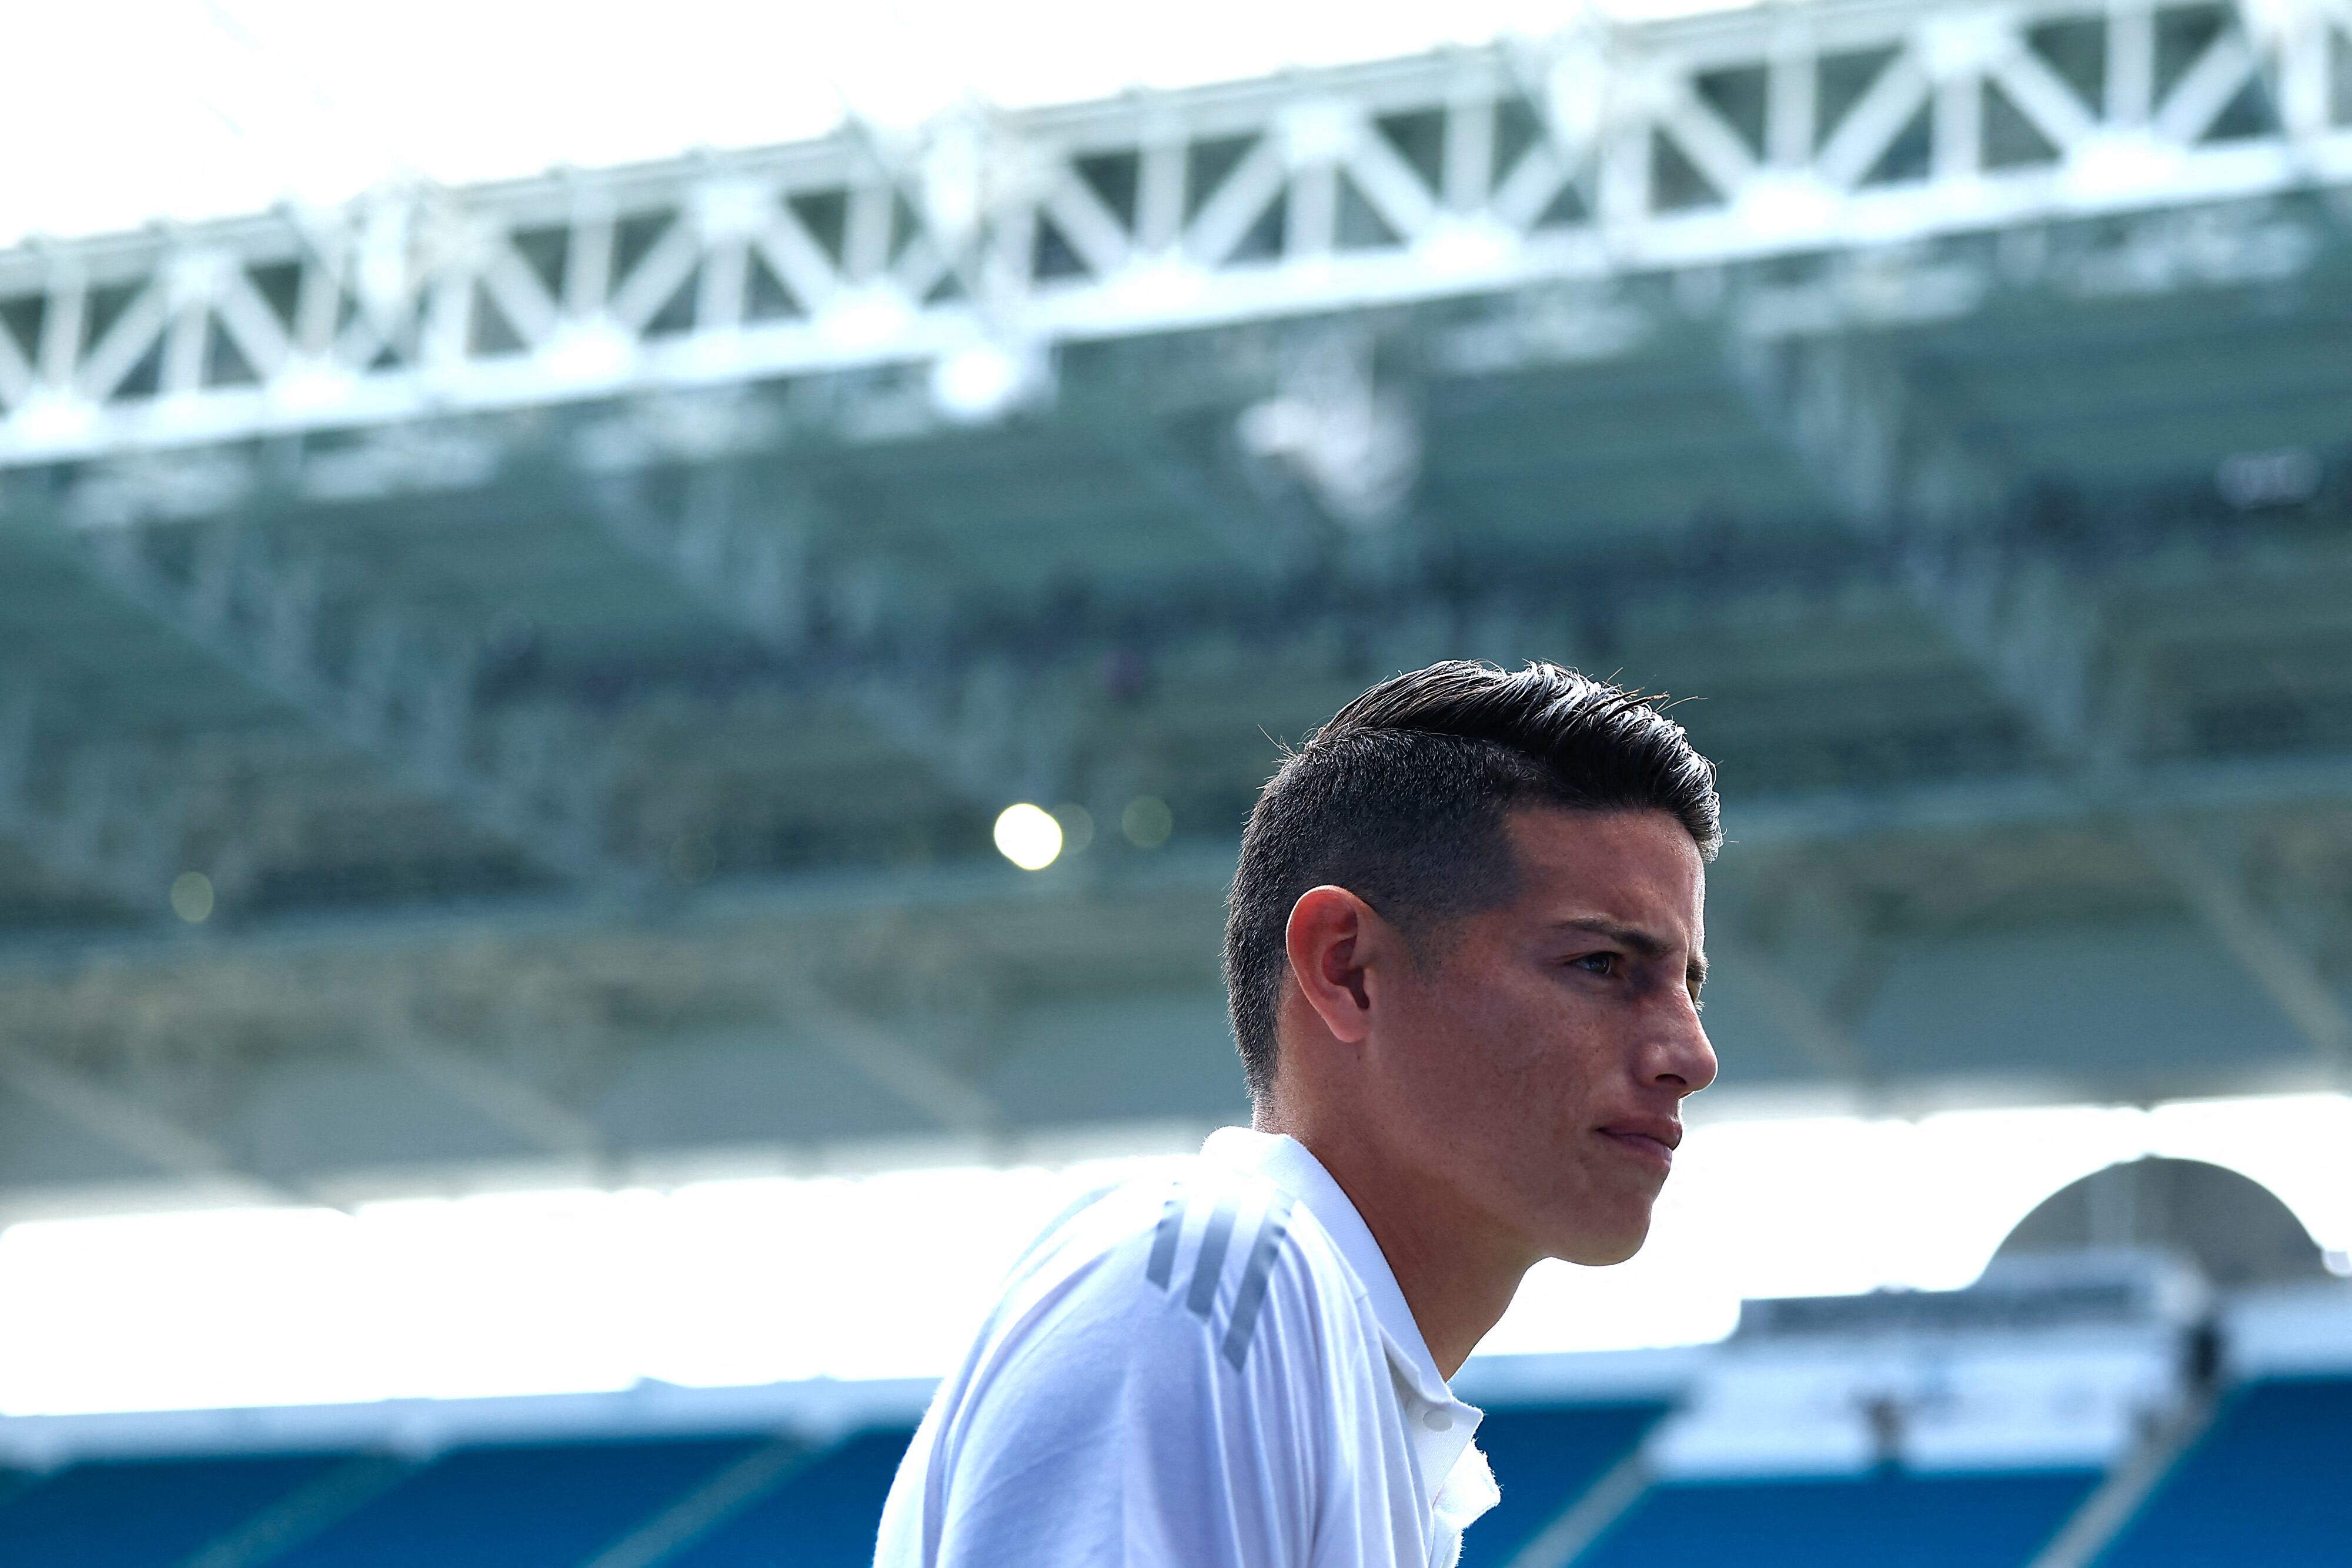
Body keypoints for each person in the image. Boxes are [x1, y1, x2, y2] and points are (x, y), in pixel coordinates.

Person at [873, 660, 1720, 1567]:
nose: (1692, 1056)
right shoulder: (1214, 1285)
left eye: (1689, 986)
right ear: (1348, 968)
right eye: (1601, 965)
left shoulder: (1347, 1388)